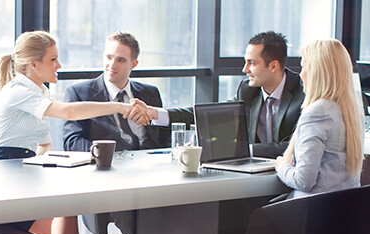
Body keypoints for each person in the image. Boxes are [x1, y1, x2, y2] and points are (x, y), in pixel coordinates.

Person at [0, 30, 148, 234]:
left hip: (24, 171)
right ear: (33, 64)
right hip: (4, 174)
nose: (59, 65)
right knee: (64, 224)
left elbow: (44, 146)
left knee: (65, 219)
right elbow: (69, 113)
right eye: (53, 59)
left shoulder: (40, 92)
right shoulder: (18, 90)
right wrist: (118, 107)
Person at [62, 31, 168, 234]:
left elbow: (163, 141)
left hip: (153, 178)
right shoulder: (81, 93)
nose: (112, 64)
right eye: (109, 57)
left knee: (187, 206)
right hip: (110, 182)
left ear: (134, 64)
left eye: (120, 59)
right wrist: (113, 156)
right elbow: (71, 142)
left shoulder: (149, 93)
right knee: (146, 224)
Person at [128, 31, 305, 158]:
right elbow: (210, 115)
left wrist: (244, 150)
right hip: (254, 175)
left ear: (273, 66)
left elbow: (296, 146)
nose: (245, 70)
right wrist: (155, 113)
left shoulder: (304, 93)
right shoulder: (248, 89)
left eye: (252, 63)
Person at [275, 39, 364, 198]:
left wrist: (281, 166)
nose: (301, 74)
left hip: (314, 212)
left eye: (304, 67)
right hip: (345, 211)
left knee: (256, 216)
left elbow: (303, 181)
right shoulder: (352, 111)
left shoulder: (318, 112)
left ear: (317, 72)